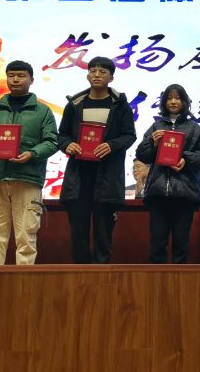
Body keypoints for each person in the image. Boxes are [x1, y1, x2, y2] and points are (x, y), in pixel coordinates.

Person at [0, 60, 59, 265]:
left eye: (21, 75)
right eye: (11, 75)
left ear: (31, 80)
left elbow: (52, 142)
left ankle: (24, 282)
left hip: (28, 177)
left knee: (26, 236)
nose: (16, 79)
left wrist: (32, 154)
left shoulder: (42, 111)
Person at [57, 57, 137, 264]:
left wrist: (111, 145)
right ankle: (80, 272)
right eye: (93, 71)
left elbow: (129, 136)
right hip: (79, 176)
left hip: (107, 175)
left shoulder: (120, 106)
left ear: (111, 77)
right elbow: (62, 135)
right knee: (78, 232)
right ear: (87, 75)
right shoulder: (75, 104)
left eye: (103, 72)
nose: (97, 75)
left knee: (103, 233)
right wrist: (68, 145)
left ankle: (101, 273)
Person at [135, 84, 200, 264]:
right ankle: (156, 280)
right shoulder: (156, 126)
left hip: (184, 194)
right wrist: (153, 144)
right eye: (169, 98)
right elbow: (141, 154)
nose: (173, 101)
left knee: (181, 244)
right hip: (158, 194)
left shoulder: (194, 128)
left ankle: (180, 281)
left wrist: (185, 159)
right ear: (164, 102)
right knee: (157, 244)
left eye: (177, 98)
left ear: (185, 102)